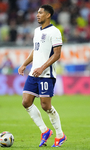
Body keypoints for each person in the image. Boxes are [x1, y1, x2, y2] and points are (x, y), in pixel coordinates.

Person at [18, 5, 67, 147]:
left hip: (46, 74)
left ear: (48, 15)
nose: (37, 15)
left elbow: (57, 54)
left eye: (40, 13)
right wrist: (24, 64)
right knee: (26, 102)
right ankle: (44, 130)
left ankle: (60, 135)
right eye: (37, 13)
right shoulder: (36, 31)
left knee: (46, 106)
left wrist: (42, 67)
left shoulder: (55, 32)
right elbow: (36, 50)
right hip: (34, 73)